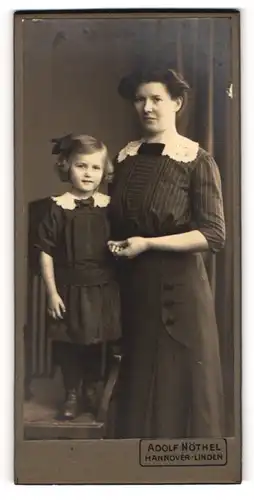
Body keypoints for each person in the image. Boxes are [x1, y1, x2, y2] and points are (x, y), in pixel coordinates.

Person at [108, 67, 226, 438]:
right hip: (137, 292)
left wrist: (149, 243)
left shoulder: (196, 159)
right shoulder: (125, 159)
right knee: (139, 393)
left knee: (178, 395)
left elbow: (213, 235)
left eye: (157, 99)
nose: (147, 107)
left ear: (177, 103)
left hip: (180, 297)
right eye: (140, 99)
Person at [35, 134, 121, 420]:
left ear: (104, 171)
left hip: (102, 288)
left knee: (98, 341)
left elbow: (121, 242)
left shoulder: (109, 207)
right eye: (81, 166)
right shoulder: (58, 208)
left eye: (95, 167)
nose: (88, 173)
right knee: (69, 342)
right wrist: (52, 293)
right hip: (69, 288)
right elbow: (45, 252)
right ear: (66, 167)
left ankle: (91, 391)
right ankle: (71, 392)